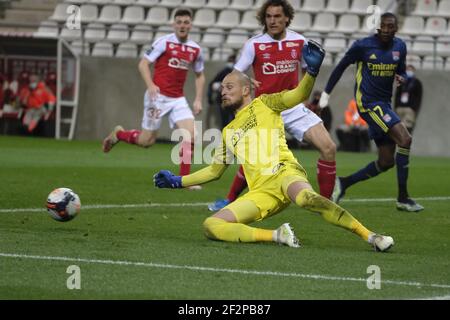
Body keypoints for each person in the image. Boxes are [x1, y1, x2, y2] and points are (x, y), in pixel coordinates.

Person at [154, 43, 394, 252]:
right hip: (260, 193)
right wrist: (178, 181)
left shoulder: (266, 103)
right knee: (211, 225)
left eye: (229, 87)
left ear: (246, 90)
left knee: (307, 199)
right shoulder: (227, 132)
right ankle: (278, 235)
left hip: (284, 173)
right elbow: (214, 171)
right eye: (222, 89)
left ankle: (372, 236)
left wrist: (311, 72)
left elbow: (300, 94)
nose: (223, 92)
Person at [208, 0, 337, 212]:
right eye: (269, 16)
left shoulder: (299, 41)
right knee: (255, 158)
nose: (273, 21)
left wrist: (304, 98)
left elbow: (307, 69)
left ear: (287, 18)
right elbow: (235, 73)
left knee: (329, 148)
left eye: (277, 16)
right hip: (265, 109)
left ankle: (325, 203)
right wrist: (247, 81)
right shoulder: (254, 44)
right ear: (263, 19)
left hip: (292, 107)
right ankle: (229, 199)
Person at [319, 13, 423, 212]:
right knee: (405, 139)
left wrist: (400, 76)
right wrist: (326, 93)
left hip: (384, 104)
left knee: (385, 162)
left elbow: (400, 69)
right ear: (378, 27)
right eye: (382, 26)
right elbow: (340, 67)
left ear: (395, 28)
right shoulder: (363, 46)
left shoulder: (400, 47)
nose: (385, 30)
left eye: (389, 27)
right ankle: (403, 197)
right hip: (367, 103)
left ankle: (343, 183)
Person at [102, 8, 205, 190]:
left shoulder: (195, 49)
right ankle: (119, 134)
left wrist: (198, 99)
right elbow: (143, 64)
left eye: (186, 22)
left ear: (191, 25)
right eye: (179, 22)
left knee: (191, 135)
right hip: (157, 97)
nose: (182, 25)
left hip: (178, 99)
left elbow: (200, 75)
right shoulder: (163, 42)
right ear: (174, 24)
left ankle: (185, 180)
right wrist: (150, 85)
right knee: (146, 141)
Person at [207, 54, 236, 129]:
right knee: (224, 120)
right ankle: (224, 136)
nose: (231, 63)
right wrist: (210, 99)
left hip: (233, 101)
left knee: (234, 119)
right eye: (230, 61)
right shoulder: (224, 72)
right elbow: (212, 84)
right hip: (223, 100)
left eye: (232, 61)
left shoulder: (237, 74)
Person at [394, 64, 422, 134]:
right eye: (407, 70)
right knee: (399, 127)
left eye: (410, 70)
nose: (409, 71)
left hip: (409, 108)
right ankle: (398, 143)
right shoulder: (402, 82)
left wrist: (414, 108)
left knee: (408, 127)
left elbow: (418, 97)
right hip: (400, 108)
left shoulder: (417, 83)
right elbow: (397, 95)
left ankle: (405, 143)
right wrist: (396, 106)